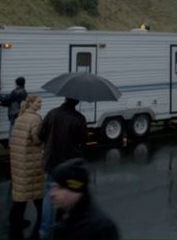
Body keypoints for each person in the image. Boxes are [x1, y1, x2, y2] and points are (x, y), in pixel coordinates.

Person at [38, 98, 88, 238]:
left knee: (50, 195)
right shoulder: (79, 118)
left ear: (64, 98)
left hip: (51, 162)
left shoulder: (52, 113)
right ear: (77, 102)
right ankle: (66, 230)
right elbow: (84, 140)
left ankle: (45, 233)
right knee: (71, 196)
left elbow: (40, 135)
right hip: (70, 165)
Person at [49, 158, 120, 240]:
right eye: (53, 187)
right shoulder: (63, 215)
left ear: (75, 189)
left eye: (60, 188)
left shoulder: (101, 228)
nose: (52, 194)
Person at [9, 94, 45, 238]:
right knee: (38, 193)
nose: (40, 104)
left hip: (19, 161)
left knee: (21, 195)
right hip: (32, 161)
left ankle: (15, 221)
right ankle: (43, 219)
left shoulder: (20, 117)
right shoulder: (35, 119)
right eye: (38, 102)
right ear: (30, 103)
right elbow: (37, 139)